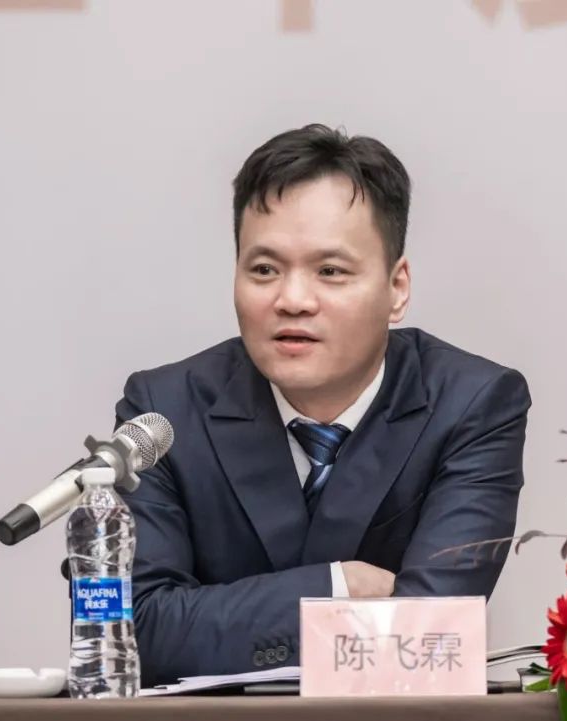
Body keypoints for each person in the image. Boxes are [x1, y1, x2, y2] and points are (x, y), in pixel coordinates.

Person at [115, 124, 532, 685]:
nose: (292, 300)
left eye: (330, 271)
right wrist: (339, 585)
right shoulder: (163, 410)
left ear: (397, 288)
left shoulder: (472, 404)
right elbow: (130, 632)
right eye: (264, 270)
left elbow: (428, 631)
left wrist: (219, 619)